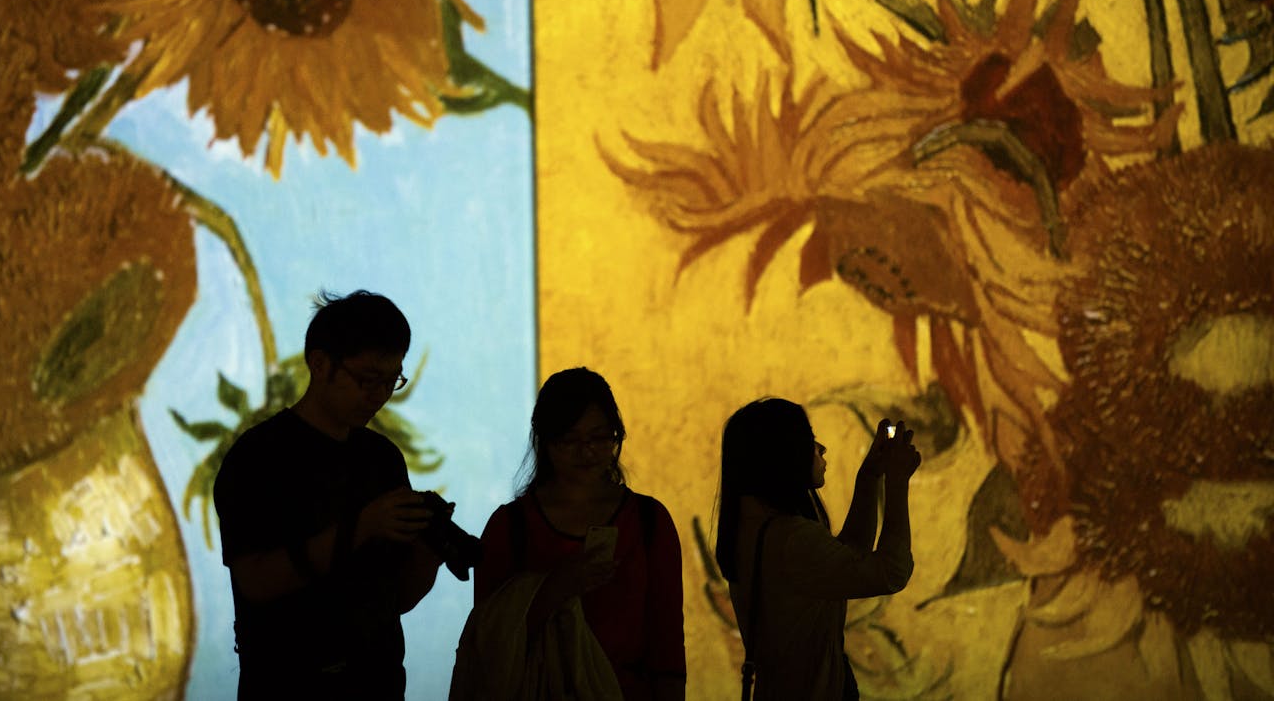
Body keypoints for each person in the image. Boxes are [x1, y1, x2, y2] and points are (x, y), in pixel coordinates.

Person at [212, 290, 445, 699]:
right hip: (289, 684)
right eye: (367, 380)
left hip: (379, 681)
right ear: (319, 364)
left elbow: (396, 600)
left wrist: (432, 548)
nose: (379, 395)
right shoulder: (258, 458)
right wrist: (363, 526)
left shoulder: (382, 459)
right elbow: (257, 581)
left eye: (392, 381)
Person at [471, 367, 686, 700]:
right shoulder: (508, 528)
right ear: (545, 441)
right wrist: (555, 589)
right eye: (570, 439)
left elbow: (667, 645)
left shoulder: (649, 521)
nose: (586, 452)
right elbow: (486, 643)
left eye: (600, 438)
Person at [716, 398, 920, 701]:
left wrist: (870, 477)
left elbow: (848, 560)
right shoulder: (792, 539)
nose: (821, 449)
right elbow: (892, 571)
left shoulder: (755, 527)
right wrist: (898, 482)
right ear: (784, 454)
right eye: (809, 440)